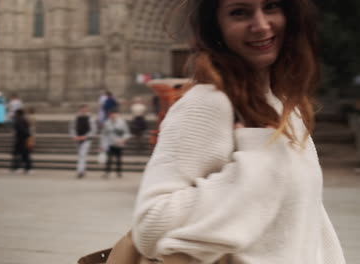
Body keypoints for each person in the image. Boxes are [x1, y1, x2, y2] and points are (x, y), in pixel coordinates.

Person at [131, 0, 346, 264]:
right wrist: (259, 167)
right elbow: (151, 224)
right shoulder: (208, 103)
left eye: (271, 7)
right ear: (216, 27)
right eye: (239, 12)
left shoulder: (284, 103)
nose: (261, 25)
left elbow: (306, 224)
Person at [69, 104, 97, 179]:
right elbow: (72, 128)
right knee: (81, 155)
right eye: (82, 109)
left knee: (82, 154)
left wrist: (85, 136)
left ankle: (80, 171)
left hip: (86, 139)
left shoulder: (91, 118)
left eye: (85, 109)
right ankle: (82, 170)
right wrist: (74, 136)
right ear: (80, 109)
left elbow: (93, 130)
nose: (83, 110)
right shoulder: (76, 118)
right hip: (77, 139)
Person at [101, 109, 130, 179]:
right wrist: (103, 144)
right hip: (110, 143)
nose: (112, 115)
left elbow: (127, 133)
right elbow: (104, 134)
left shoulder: (121, 122)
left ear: (116, 114)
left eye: (114, 114)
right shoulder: (107, 123)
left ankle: (119, 172)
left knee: (119, 159)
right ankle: (107, 172)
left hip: (119, 144)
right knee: (109, 159)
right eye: (111, 114)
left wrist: (123, 139)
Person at [11, 109, 32, 174]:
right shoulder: (24, 119)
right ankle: (27, 168)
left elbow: (22, 130)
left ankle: (19, 168)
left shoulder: (19, 120)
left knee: (21, 154)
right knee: (24, 155)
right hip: (23, 139)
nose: (14, 114)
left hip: (21, 140)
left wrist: (26, 136)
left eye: (15, 113)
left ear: (18, 114)